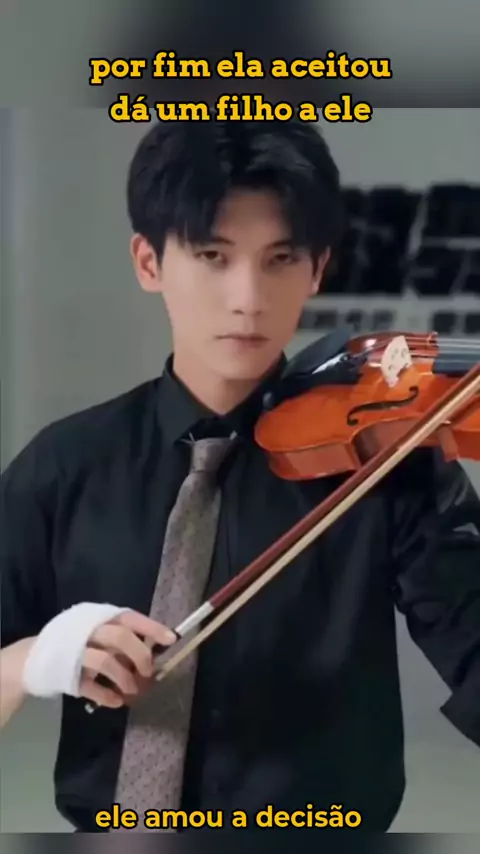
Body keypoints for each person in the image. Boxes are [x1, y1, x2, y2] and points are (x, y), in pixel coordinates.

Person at [1, 118, 479, 834]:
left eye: (280, 259)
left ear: (318, 269)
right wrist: (29, 661)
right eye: (212, 255)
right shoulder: (62, 467)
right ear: (148, 262)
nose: (249, 297)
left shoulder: (390, 460)